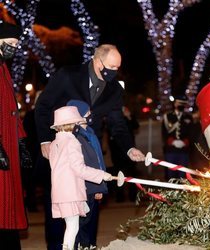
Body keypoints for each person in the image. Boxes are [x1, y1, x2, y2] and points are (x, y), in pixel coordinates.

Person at [34, 44, 145, 250]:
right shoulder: (68, 75)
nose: (113, 72)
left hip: (89, 150)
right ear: (97, 61)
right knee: (63, 203)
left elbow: (117, 123)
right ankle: (59, 246)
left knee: (91, 202)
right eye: (110, 66)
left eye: (117, 68)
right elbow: (42, 107)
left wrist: (129, 148)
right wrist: (45, 140)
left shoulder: (114, 90)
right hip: (60, 150)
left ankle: (87, 245)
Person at [49, 106, 112, 250]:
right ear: (72, 124)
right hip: (71, 192)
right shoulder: (72, 142)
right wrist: (102, 175)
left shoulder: (54, 144)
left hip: (60, 192)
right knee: (73, 228)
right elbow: (79, 169)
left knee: (72, 224)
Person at [0, 22, 28, 249]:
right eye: (10, 43)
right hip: (1, 146)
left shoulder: (3, 68)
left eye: (15, 45)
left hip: (8, 145)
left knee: (9, 203)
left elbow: (12, 110)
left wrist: (21, 141)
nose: (13, 48)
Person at [67, 99, 109, 249]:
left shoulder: (90, 133)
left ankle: (87, 245)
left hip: (94, 185)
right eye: (87, 112)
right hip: (84, 188)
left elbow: (98, 160)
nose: (91, 114)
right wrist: (95, 187)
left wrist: (101, 186)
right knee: (81, 224)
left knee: (89, 221)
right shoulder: (77, 137)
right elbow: (84, 166)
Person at [161, 95, 193, 180]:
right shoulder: (167, 116)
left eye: (183, 104)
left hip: (184, 151)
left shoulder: (188, 117)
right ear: (175, 103)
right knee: (171, 175)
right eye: (179, 103)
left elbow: (191, 133)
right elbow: (164, 133)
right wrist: (172, 142)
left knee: (183, 176)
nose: (181, 105)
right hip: (171, 150)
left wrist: (185, 142)